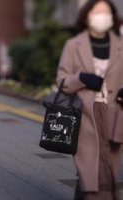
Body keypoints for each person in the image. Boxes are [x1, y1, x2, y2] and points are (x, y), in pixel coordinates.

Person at [56, 1, 123, 199]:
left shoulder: (120, 45)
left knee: (109, 168)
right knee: (88, 170)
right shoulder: (73, 45)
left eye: (106, 12)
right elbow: (62, 80)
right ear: (86, 16)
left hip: (115, 113)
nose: (102, 16)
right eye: (97, 12)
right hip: (85, 115)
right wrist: (81, 78)